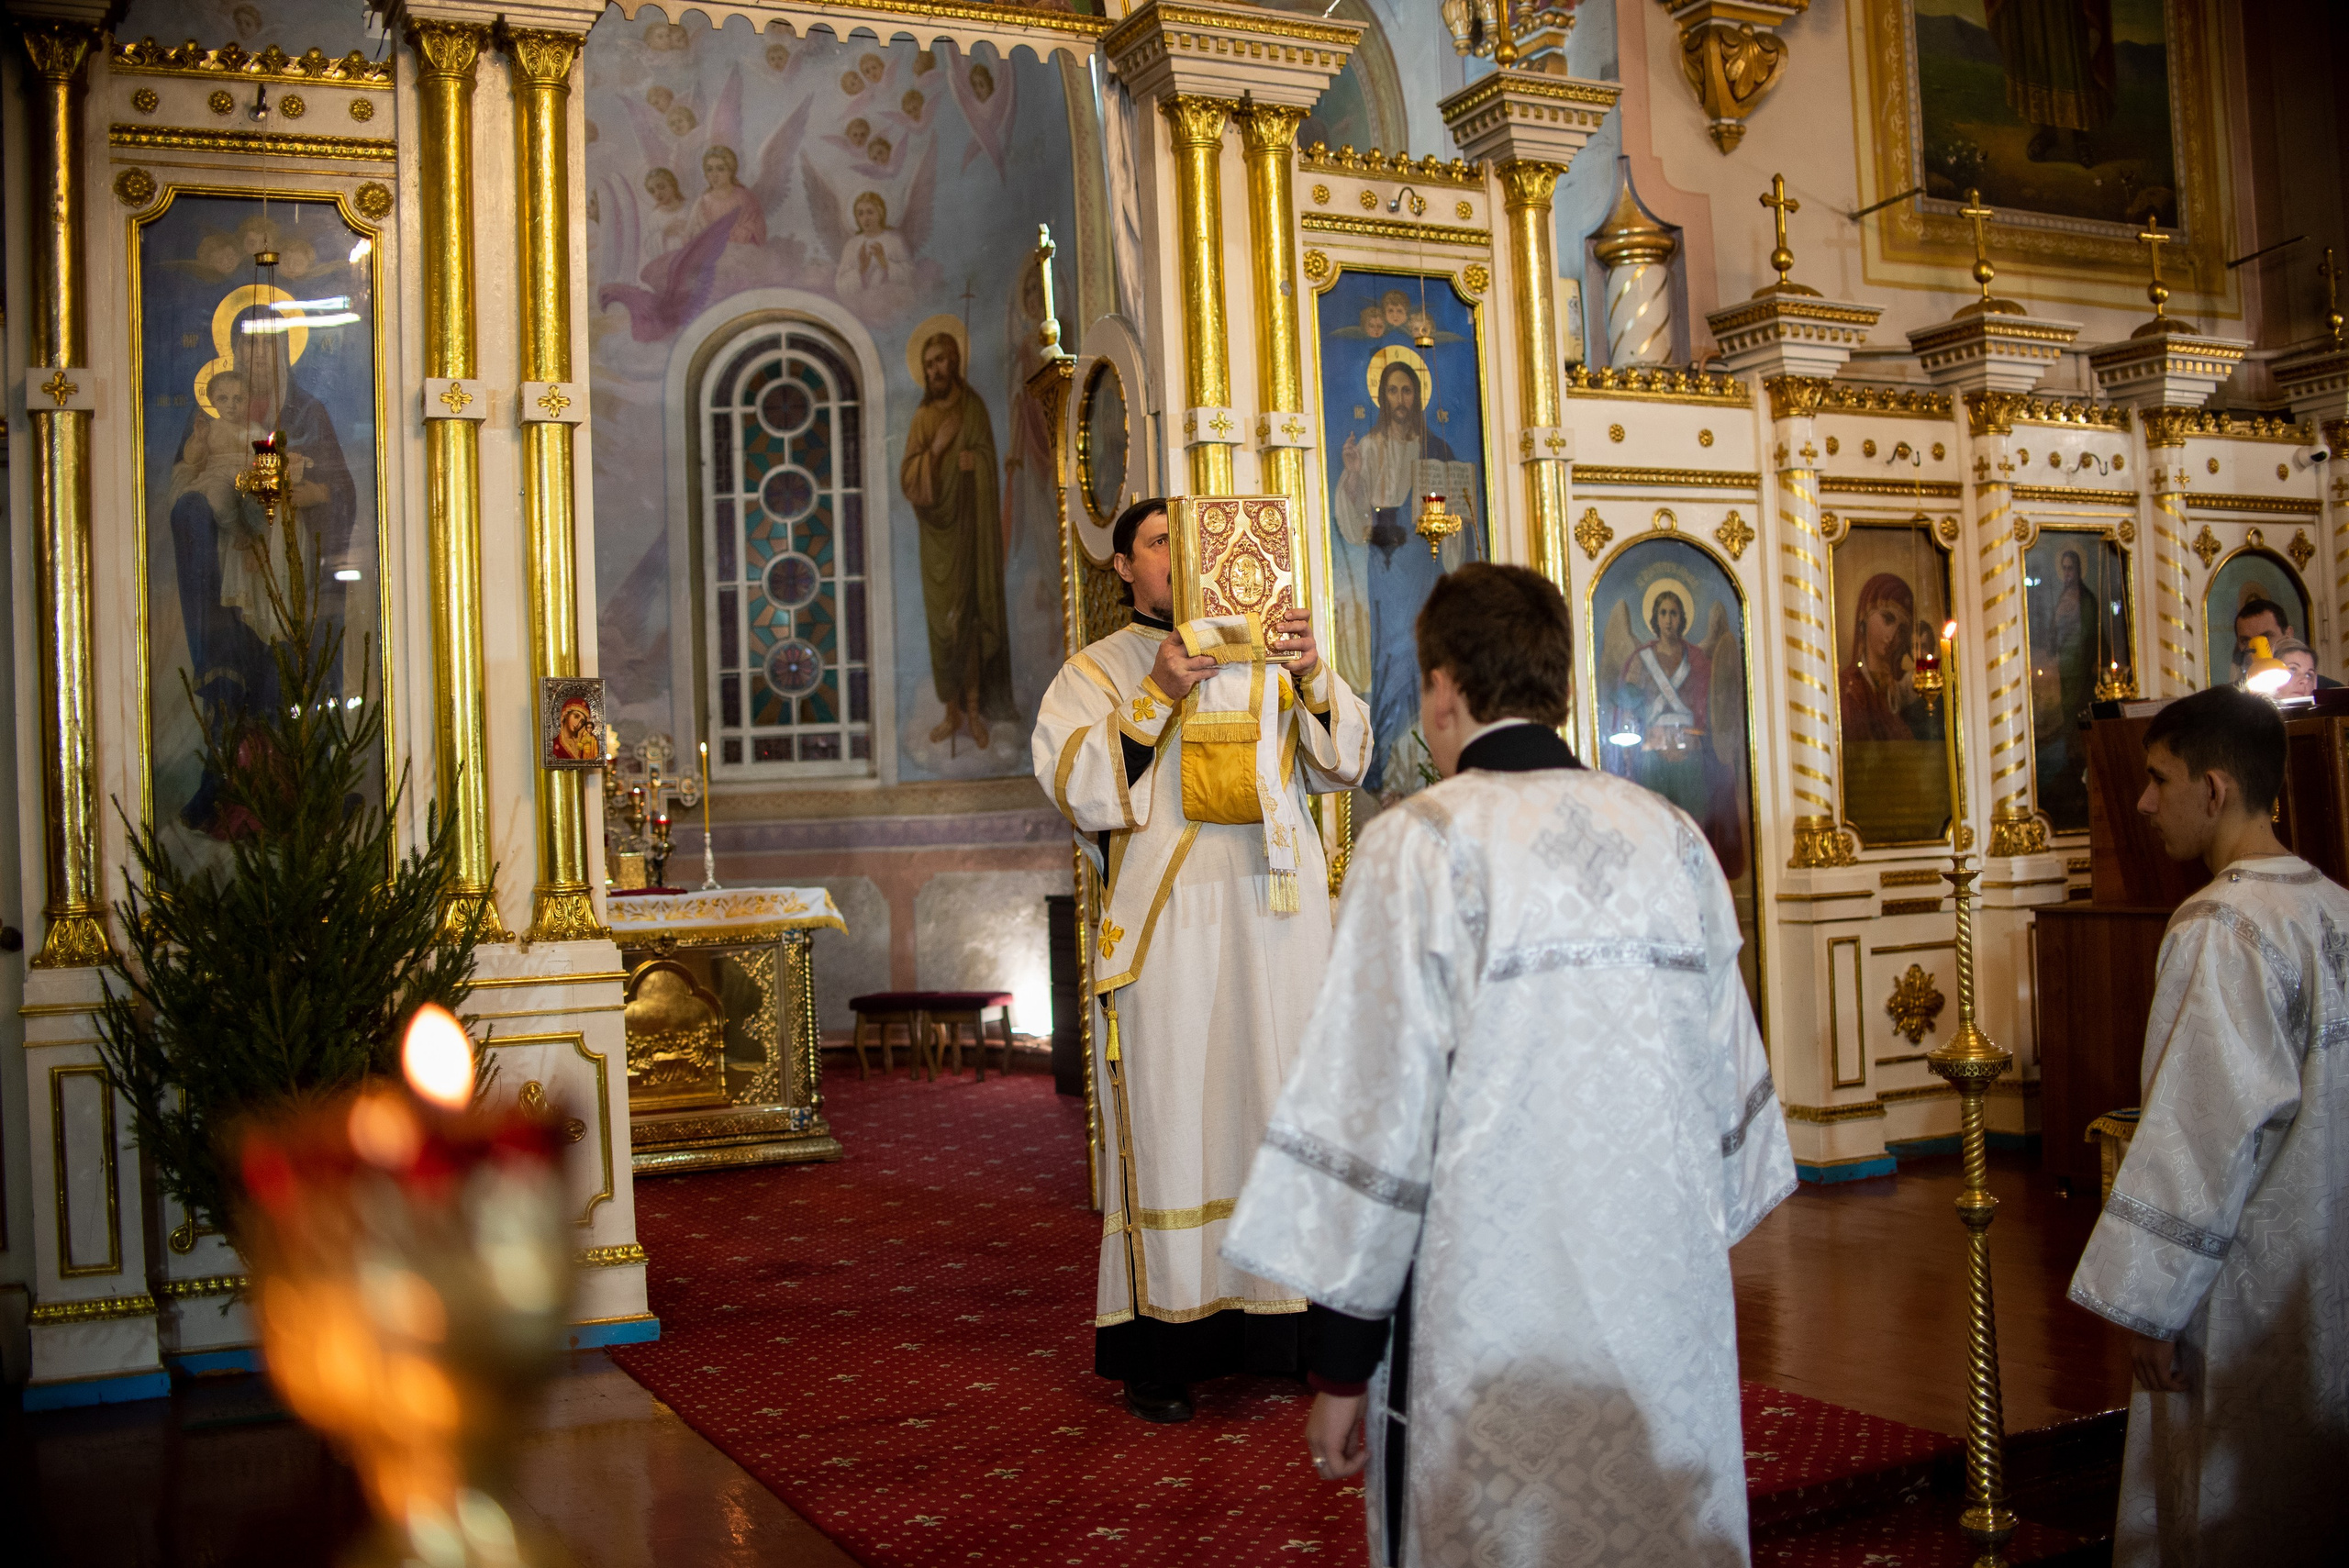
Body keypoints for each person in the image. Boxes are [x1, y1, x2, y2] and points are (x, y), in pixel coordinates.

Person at [1223, 562, 1794, 1564]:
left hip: (1485, 1325)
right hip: (1658, 1321)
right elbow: (1733, 1128)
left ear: (1442, 688)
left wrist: (1342, 1365)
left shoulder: (1422, 844)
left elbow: (1374, 1120)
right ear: (1560, 684)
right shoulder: (1671, 839)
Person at [1030, 498, 1372, 1425]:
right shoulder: (1096, 670)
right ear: (1122, 566)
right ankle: (1168, 1345)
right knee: (1176, 1117)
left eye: (1188, 540)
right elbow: (1077, 786)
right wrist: (1158, 691)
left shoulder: (1270, 655)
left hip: (1279, 917)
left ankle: (1292, 1328)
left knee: (1281, 1111)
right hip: (1170, 927)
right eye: (1157, 542)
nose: (1176, 557)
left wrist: (1310, 671)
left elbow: (1344, 761)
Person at [2066, 684, 2349, 1565]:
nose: (2144, 803)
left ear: (2216, 788)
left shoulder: (2220, 925)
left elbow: (2200, 1130)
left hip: (2243, 1294)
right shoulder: (2334, 904)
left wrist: (2154, 1305)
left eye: (2159, 778)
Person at [1332, 359, 1479, 795]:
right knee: (1392, 655)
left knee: (1422, 653)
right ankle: (1387, 762)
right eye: (1393, 391)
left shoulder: (1436, 449)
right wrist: (1353, 475)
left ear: (1418, 397)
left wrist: (1455, 519)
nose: (1401, 400)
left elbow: (1458, 513)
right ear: (1382, 397)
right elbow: (1354, 519)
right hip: (1386, 565)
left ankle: (1430, 760)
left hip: (1423, 561)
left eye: (1407, 391)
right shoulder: (1369, 447)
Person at [900, 330, 1014, 750]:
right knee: (943, 628)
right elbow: (909, 480)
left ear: (954, 362)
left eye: (941, 361)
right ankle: (951, 714)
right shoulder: (922, 419)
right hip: (937, 540)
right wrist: (935, 452)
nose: (935, 370)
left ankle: (974, 712)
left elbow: (988, 463)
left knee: (970, 622)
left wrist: (975, 463)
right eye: (928, 364)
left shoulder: (973, 408)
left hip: (970, 533)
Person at [2231, 595, 2340, 689]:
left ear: (2288, 635)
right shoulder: (2232, 698)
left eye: (2266, 637)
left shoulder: (2331, 693)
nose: (2256, 648)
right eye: (2246, 641)